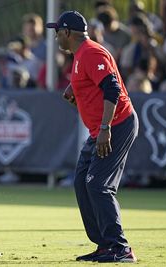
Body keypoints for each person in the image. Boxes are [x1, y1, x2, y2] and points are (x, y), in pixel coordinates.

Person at [46, 11, 138, 263]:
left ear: (67, 33)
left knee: (98, 185)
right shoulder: (80, 55)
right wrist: (74, 89)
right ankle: (105, 245)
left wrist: (106, 129)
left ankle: (120, 248)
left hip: (116, 125)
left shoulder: (91, 52)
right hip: (100, 129)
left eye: (57, 32)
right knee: (81, 182)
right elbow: (92, 82)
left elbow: (113, 88)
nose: (56, 38)